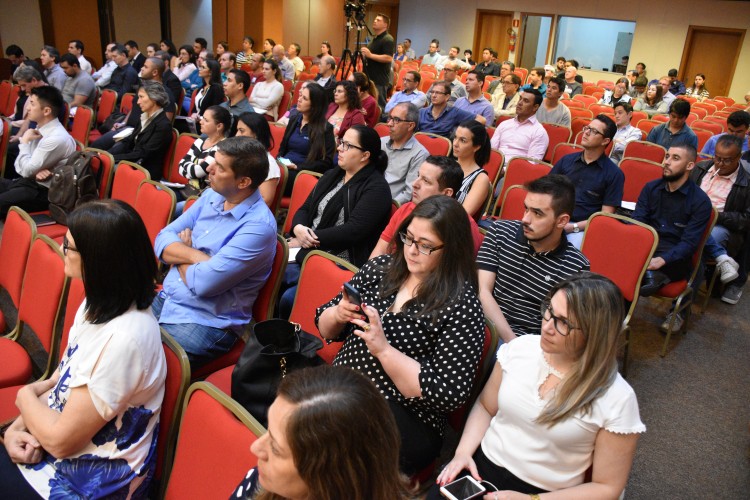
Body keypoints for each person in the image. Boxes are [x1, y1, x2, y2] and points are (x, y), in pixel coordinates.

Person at [0, 199, 166, 498]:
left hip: (88, 481)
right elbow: (61, 382)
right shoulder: (96, 304)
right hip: (56, 450)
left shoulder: (125, 340)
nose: (62, 249)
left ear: (99, 261)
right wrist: (14, 430)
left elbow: (62, 441)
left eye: (69, 245)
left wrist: (24, 396)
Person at [433, 272, 645, 497]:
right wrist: (463, 453)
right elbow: (486, 407)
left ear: (595, 334)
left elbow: (607, 487)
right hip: (481, 468)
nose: (547, 326)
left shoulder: (617, 398)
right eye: (549, 311)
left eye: (563, 322)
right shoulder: (520, 349)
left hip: (546, 492)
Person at [317, 194, 485, 474]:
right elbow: (324, 327)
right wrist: (338, 314)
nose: (411, 250)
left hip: (404, 415)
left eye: (426, 246)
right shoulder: (381, 268)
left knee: (322, 450)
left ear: (452, 249)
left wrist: (384, 350)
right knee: (293, 421)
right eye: (408, 238)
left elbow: (448, 394)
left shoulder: (462, 305)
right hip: (342, 389)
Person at [153, 136, 277, 368]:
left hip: (206, 322)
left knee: (140, 361)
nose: (208, 168)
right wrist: (194, 255)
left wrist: (178, 254)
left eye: (219, 167)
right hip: (167, 299)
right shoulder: (213, 196)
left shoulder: (258, 228)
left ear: (243, 182)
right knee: (112, 334)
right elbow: (161, 241)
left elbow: (204, 284)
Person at [232, 365, 412, 500]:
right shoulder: (261, 482)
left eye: (276, 448)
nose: (255, 447)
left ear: (331, 475)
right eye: (268, 432)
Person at [278, 125, 392, 317]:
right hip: (309, 246)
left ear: (365, 155)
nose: (339, 148)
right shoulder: (334, 175)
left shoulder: (376, 189)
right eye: (341, 142)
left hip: (339, 258)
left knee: (289, 296)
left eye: (347, 145)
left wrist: (308, 238)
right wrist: (298, 228)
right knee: (264, 266)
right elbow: (305, 208)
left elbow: (354, 231)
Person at [477, 175, 590, 343]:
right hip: (483, 324)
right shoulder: (500, 232)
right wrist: (512, 344)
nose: (525, 219)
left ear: (562, 221)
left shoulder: (576, 265)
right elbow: (482, 291)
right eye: (526, 209)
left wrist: (518, 350)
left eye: (537, 213)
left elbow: (558, 326)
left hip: (530, 344)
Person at [632, 144, 712, 331]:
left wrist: (662, 260)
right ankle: (619, 314)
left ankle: (659, 283)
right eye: (667, 156)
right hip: (649, 243)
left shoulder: (700, 201)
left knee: (685, 260)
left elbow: (690, 243)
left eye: (675, 158)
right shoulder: (651, 188)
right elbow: (638, 222)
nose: (666, 162)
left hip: (674, 252)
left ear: (690, 165)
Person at [370, 156, 484, 259]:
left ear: (447, 193)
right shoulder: (406, 208)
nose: (415, 184)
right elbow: (380, 249)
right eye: (418, 176)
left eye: (426, 181)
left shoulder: (463, 228)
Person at [0, 86, 76, 218]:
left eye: (32, 103)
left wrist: (24, 142)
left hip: (43, 192)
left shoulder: (56, 138)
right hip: (28, 182)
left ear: (46, 111)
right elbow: (24, 168)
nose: (28, 108)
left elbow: (24, 170)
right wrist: (33, 170)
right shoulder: (39, 128)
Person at [690, 134, 748, 305]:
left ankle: (683, 301)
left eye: (727, 160)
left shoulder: (747, 182)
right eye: (717, 158)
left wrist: (715, 215)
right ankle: (722, 258)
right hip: (691, 217)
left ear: (738, 157)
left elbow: (746, 219)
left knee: (701, 240)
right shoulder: (700, 168)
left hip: (721, 225)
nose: (720, 164)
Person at [551, 115, 625, 249]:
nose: (586, 132)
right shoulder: (566, 160)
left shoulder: (614, 174)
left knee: (572, 254)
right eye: (587, 128)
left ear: (605, 141)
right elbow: (546, 191)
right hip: (554, 218)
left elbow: (605, 217)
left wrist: (572, 227)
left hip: (580, 228)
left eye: (594, 131)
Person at [106, 80, 173, 179]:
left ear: (154, 98)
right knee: (100, 162)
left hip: (145, 170)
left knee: (106, 168)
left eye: (141, 97)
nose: (138, 102)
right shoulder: (144, 117)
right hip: (133, 162)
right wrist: (108, 155)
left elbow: (144, 154)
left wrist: (113, 158)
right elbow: (129, 142)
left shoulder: (163, 126)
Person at [278, 83, 336, 195]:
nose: (299, 100)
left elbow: (326, 163)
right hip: (284, 168)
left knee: (268, 178)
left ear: (314, 105)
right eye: (300, 96)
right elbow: (282, 148)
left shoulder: (325, 128)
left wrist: (297, 167)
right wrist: (278, 161)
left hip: (302, 174)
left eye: (304, 98)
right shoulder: (294, 120)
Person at [177, 105, 232, 198]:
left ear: (219, 126)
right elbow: (180, 165)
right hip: (187, 190)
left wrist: (188, 167)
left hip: (202, 197)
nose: (201, 122)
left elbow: (197, 172)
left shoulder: (222, 148)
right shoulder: (200, 141)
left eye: (206, 120)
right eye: (202, 118)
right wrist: (193, 169)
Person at [382, 102, 429, 204]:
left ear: (410, 126)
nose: (389, 124)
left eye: (396, 120)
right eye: (390, 118)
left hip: (388, 204)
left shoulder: (419, 154)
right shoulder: (381, 142)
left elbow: (409, 192)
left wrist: (391, 206)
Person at [235, 111, 282, 208]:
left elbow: (265, 200)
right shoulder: (239, 156)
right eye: (237, 130)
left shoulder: (268, 164)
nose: (237, 135)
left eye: (241, 130)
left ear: (256, 134)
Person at [490, 89, 549, 163]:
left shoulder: (539, 132)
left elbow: (532, 163)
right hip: (494, 166)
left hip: (514, 171)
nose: (520, 103)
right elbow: (491, 150)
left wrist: (504, 170)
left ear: (535, 107)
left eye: (526, 101)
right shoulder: (504, 124)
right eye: (520, 99)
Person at [453, 119, 492, 219]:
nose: (455, 143)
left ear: (476, 147)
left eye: (463, 140)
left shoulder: (480, 178)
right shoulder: (447, 165)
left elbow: (463, 216)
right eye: (455, 138)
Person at [361, 13, 395, 109]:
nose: (375, 21)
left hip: (379, 80)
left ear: (385, 25)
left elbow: (388, 58)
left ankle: (380, 124)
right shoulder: (374, 39)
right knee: (368, 106)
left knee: (378, 107)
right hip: (369, 78)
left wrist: (370, 55)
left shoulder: (388, 39)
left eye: (378, 20)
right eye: (375, 19)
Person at [186, 58, 225, 133]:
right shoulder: (201, 88)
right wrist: (194, 114)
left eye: (203, 67)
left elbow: (215, 111)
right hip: (196, 122)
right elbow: (195, 108)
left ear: (210, 72)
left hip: (207, 125)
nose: (200, 69)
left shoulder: (216, 89)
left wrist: (200, 118)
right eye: (200, 67)